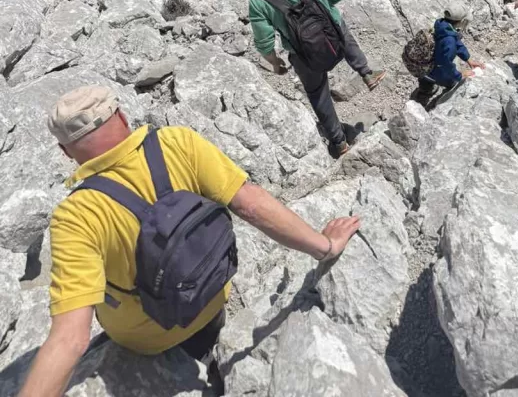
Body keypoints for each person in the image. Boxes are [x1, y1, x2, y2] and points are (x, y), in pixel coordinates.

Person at [19, 86, 361, 397]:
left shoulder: (76, 216)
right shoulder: (177, 142)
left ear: (65, 152)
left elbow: (70, 338)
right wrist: (325, 247)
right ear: (121, 116)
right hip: (211, 296)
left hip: (146, 338)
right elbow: (251, 205)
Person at [249, 0, 386, 158]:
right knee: (337, 24)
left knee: (318, 94)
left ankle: (339, 142)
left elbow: (264, 42)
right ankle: (366, 73)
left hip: (304, 55)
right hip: (334, 38)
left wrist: (275, 63)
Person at [416, 2, 485, 103]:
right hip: (433, 68)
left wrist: (469, 59)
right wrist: (459, 75)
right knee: (452, 81)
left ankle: (425, 87)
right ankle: (428, 91)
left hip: (422, 62)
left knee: (427, 76)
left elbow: (457, 42)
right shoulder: (449, 41)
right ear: (462, 21)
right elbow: (444, 64)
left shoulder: (442, 25)